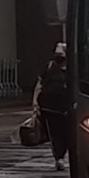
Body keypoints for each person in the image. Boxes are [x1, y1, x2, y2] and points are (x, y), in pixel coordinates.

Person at [32, 42, 72, 171]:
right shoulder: (49, 67)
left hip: (67, 108)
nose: (58, 56)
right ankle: (59, 158)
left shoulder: (73, 69)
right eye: (56, 53)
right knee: (55, 134)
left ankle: (66, 155)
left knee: (68, 134)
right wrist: (35, 103)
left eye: (60, 53)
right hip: (50, 107)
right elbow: (39, 84)